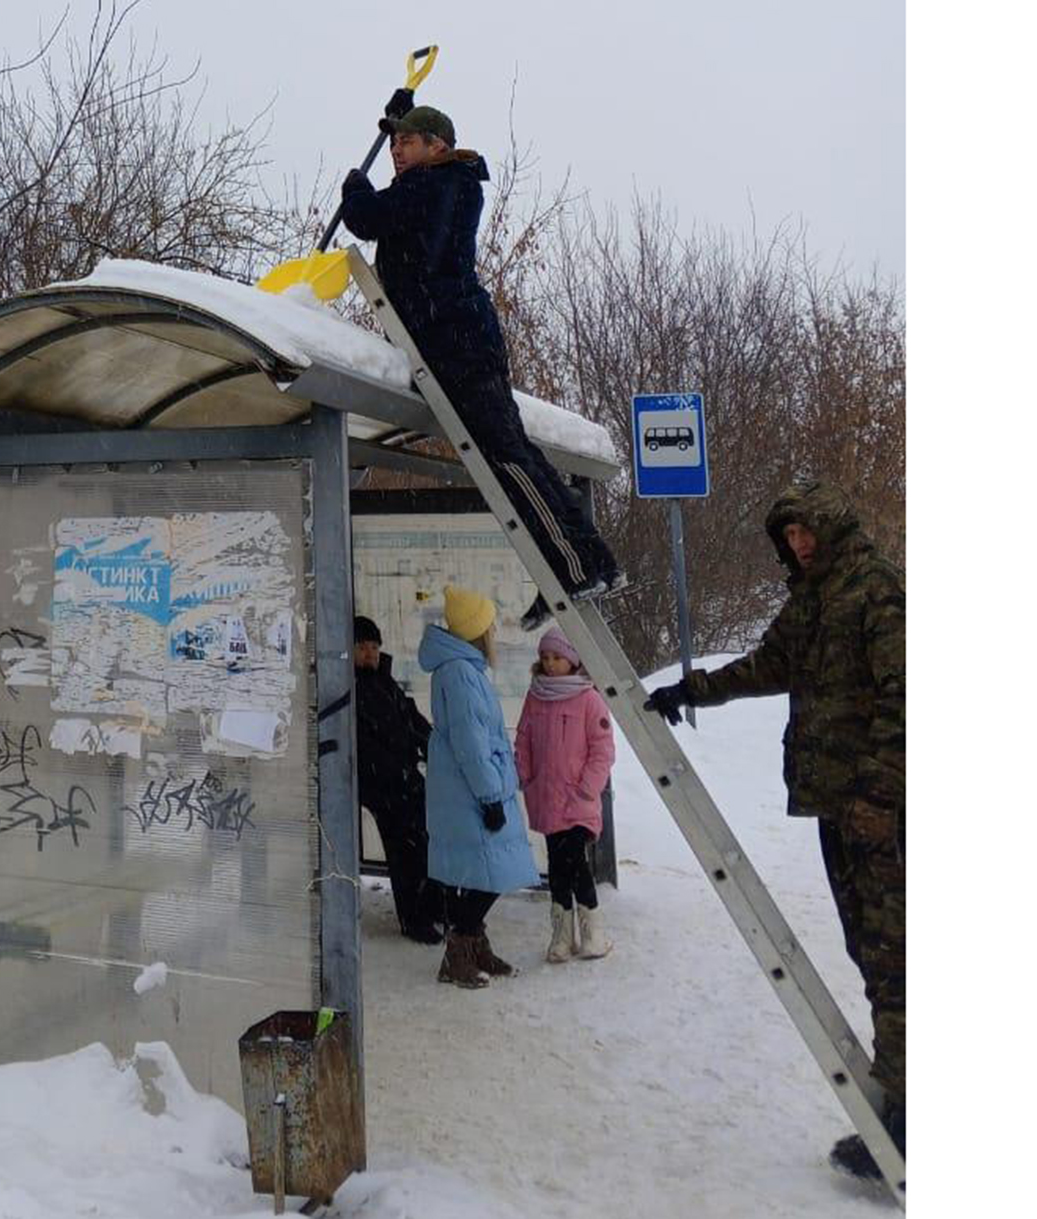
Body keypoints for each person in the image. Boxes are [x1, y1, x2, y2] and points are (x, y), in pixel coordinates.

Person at [644, 479, 905, 1180]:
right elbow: (768, 666)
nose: (799, 543)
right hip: (840, 808)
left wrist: (883, 795)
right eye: (788, 536)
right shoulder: (812, 598)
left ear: (831, 523)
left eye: (806, 530)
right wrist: (690, 689)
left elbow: (907, 695)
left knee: (898, 956)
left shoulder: (875, 588)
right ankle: (904, 1102)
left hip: (885, 813)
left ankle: (908, 1123)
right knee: (872, 952)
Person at [338, 99, 621, 630]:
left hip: (455, 343)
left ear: (436, 147)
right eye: (393, 143)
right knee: (515, 456)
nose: (397, 151)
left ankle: (578, 564)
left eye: (407, 142)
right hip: (462, 337)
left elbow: (366, 218)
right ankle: (575, 563)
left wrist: (356, 184)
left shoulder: (433, 185)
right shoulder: (447, 185)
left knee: (509, 459)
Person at [418, 585, 537, 988]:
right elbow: (472, 742)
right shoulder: (461, 673)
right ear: (477, 631)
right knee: (493, 873)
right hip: (472, 789)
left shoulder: (458, 669)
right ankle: (460, 951)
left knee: (470, 874)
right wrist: (490, 796)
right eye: (488, 626)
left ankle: (473, 947)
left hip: (460, 786)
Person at [515, 626, 617, 964]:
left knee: (574, 862)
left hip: (578, 802)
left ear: (572, 660)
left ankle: (593, 932)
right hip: (546, 798)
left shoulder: (589, 699)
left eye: (557, 657)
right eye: (545, 657)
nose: (550, 663)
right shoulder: (536, 696)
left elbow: (602, 750)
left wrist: (588, 788)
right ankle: (561, 935)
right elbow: (524, 740)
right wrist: (526, 776)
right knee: (558, 866)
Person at [353, 615, 444, 944]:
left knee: (428, 841)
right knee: (406, 849)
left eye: (374, 647)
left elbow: (412, 719)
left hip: (404, 779)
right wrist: (398, 771)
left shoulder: (384, 682)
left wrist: (434, 747)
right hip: (382, 785)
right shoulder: (351, 688)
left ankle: (432, 906)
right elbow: (364, 744)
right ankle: (415, 917)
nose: (370, 654)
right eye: (362, 647)